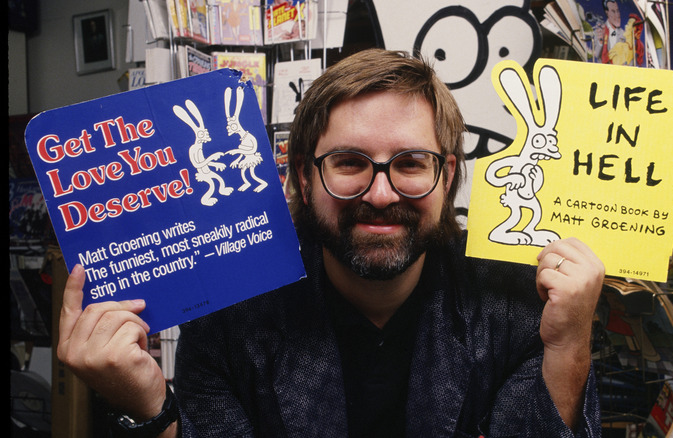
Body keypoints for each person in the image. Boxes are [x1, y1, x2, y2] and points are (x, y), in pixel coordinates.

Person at [57, 49, 604, 437]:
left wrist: (568, 345)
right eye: (349, 163)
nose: (383, 194)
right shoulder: (232, 313)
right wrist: (147, 405)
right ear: (301, 176)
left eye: (411, 163)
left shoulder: (515, 303)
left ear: (449, 176)